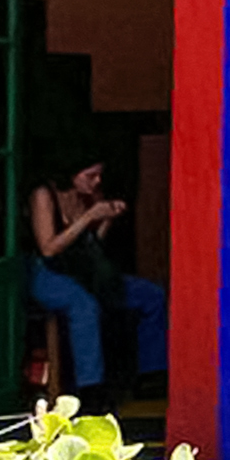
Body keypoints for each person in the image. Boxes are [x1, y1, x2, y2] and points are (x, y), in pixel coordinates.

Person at [27, 151, 167, 413]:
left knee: (152, 295)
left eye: (99, 175)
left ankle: (151, 375)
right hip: (51, 274)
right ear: (72, 173)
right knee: (84, 306)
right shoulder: (44, 195)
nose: (96, 181)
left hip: (86, 270)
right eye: (90, 175)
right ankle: (90, 390)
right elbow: (48, 249)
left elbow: (91, 248)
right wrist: (89, 217)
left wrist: (105, 221)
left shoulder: (90, 197)